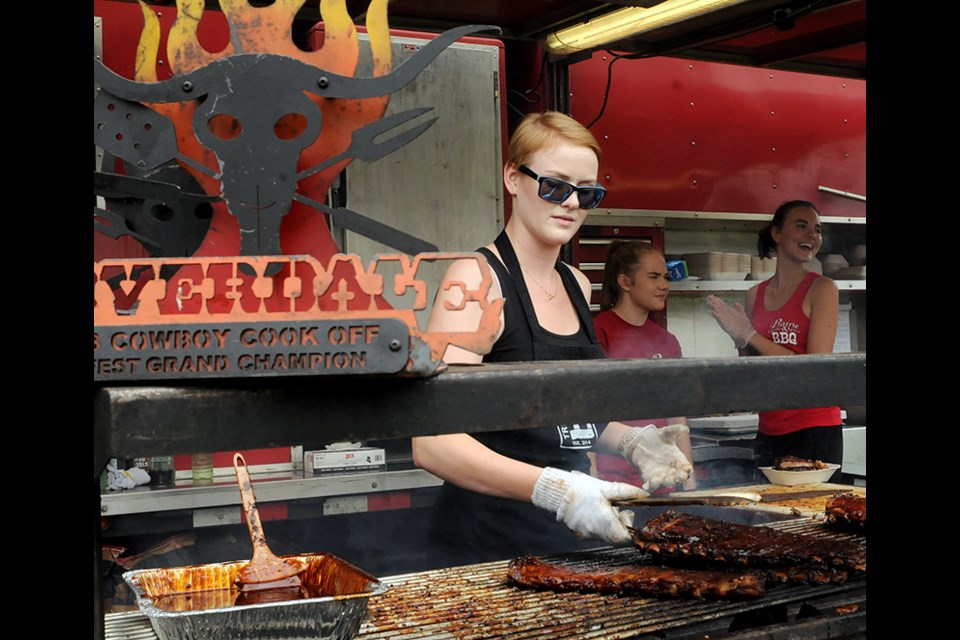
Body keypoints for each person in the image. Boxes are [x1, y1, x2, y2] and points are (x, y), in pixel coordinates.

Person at [411, 111, 692, 567]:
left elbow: (562, 420)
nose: (571, 203)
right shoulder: (479, 281)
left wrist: (631, 442)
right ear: (513, 178)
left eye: (587, 193)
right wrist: (555, 490)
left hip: (571, 543)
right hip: (486, 547)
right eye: (555, 185)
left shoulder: (576, 284)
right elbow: (433, 442)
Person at [706, 200, 843, 480]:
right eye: (801, 226)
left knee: (813, 515)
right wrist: (740, 340)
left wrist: (750, 334)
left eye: (817, 230)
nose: (812, 236)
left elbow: (814, 368)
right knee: (770, 516)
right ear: (777, 233)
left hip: (814, 428)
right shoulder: (755, 294)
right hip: (769, 428)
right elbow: (752, 371)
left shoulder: (822, 288)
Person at [592, 240, 697, 492]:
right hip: (614, 480)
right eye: (653, 277)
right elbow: (588, 412)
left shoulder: (667, 341)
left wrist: (689, 476)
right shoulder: (598, 332)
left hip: (664, 476)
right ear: (625, 282)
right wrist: (591, 475)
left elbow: (676, 414)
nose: (664, 285)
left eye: (666, 277)